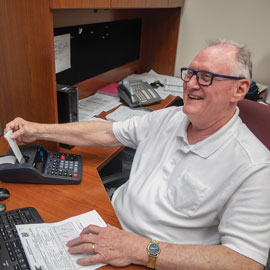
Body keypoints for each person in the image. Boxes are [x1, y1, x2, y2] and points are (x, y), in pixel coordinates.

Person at [5, 39, 270, 270]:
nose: (190, 85)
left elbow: (245, 261)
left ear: (239, 89)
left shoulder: (254, 167)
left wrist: (141, 250)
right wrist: (37, 129)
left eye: (205, 77)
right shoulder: (168, 118)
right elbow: (107, 133)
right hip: (107, 224)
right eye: (189, 74)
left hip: (152, 258)